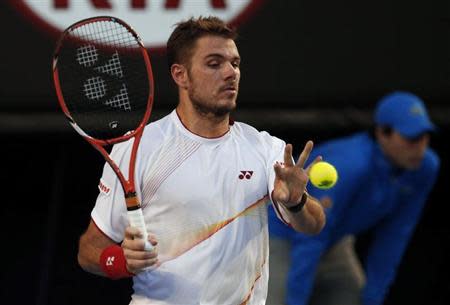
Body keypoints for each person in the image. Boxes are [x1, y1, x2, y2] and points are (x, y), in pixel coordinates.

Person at [77, 16, 326, 305]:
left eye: (235, 63)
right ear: (180, 75)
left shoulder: (265, 149)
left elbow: (313, 225)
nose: (230, 73)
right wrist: (122, 261)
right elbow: (89, 250)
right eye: (214, 63)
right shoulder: (136, 150)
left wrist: (297, 202)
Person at [267, 91, 440, 305]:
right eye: (411, 139)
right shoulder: (351, 166)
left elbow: (396, 234)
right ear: (382, 133)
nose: (420, 148)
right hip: (283, 236)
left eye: (424, 137)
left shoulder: (425, 168)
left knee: (353, 297)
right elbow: (310, 238)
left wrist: (373, 298)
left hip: (334, 241)